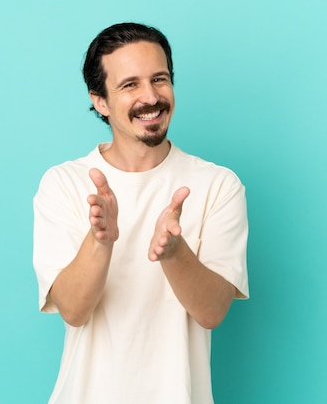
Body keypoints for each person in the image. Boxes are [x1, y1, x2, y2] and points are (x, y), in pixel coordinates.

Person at [33, 22, 249, 404]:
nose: (151, 97)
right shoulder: (63, 183)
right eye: (130, 85)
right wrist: (101, 241)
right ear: (100, 101)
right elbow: (74, 309)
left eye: (160, 79)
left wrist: (174, 253)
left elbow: (212, 311)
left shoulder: (218, 184)